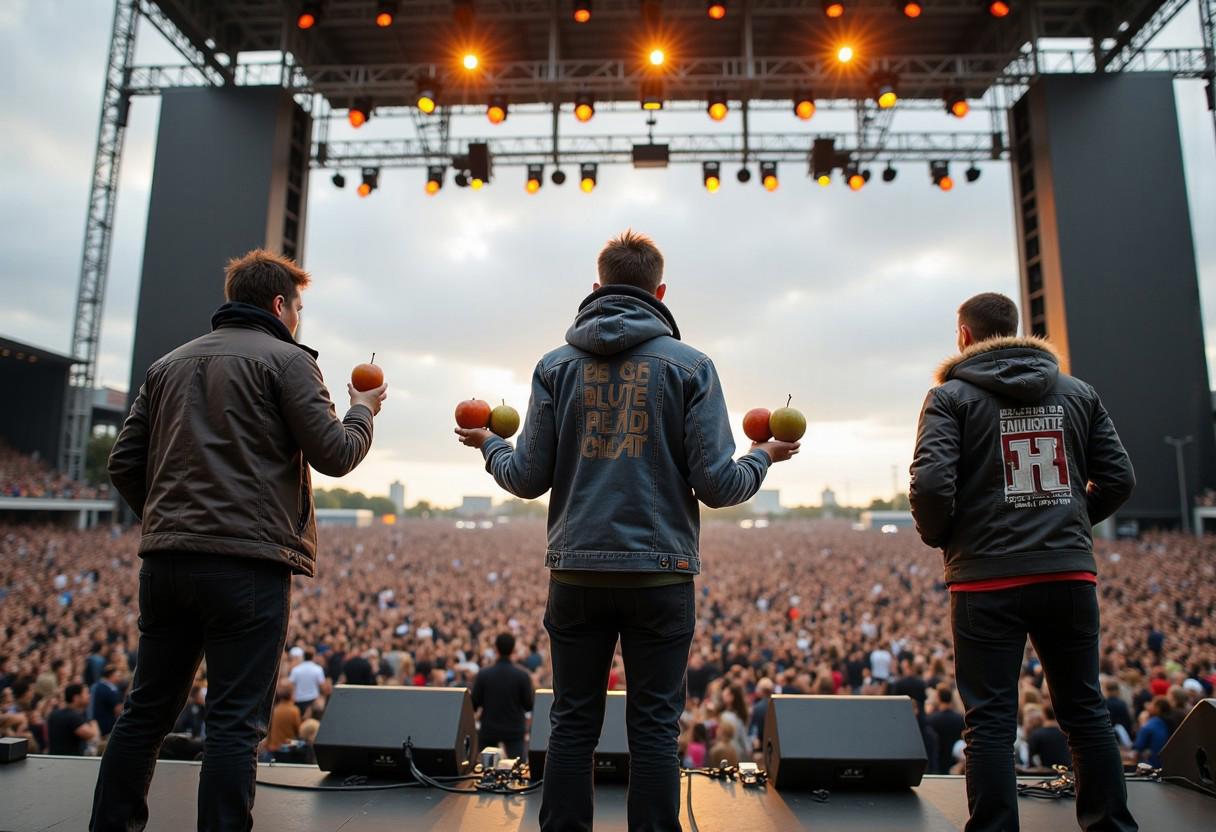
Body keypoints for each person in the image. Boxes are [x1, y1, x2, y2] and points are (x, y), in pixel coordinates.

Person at [455, 230, 799, 831]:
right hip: (660, 574)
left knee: (572, 723)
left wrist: (490, 446)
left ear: (596, 289)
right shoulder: (691, 367)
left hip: (577, 570)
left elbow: (527, 477)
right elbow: (719, 487)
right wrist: (762, 455)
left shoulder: (554, 366)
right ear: (659, 292)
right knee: (656, 729)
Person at [91, 250, 386, 832]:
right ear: (279, 305)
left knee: (144, 714)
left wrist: (172, 519)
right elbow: (336, 454)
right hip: (246, 568)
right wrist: (362, 411)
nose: (298, 318)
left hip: (167, 563)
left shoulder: (166, 364)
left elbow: (124, 464)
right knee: (232, 723)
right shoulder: (288, 362)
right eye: (297, 307)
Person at [910, 292, 1137, 832]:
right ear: (1017, 329)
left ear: (964, 336)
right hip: (1067, 573)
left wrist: (946, 539)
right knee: (1085, 711)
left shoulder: (950, 398)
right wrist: (1071, 527)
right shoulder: (1079, 393)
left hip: (985, 579)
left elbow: (933, 485)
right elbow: (1120, 479)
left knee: (988, 720)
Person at [470, 632, 535, 759]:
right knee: (517, 770)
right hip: (514, 730)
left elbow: (474, 703)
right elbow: (528, 705)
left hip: (489, 729)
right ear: (513, 649)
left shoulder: (483, 674)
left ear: (496, 648)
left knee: (485, 769)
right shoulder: (522, 675)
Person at [925, 684, 965, 776]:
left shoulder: (932, 719)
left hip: (937, 762)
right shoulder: (959, 718)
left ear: (938, 698)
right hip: (953, 762)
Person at [48, 683, 98, 756]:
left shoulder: (55, 714)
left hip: (56, 759)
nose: (89, 696)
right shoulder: (72, 717)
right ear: (76, 698)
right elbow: (91, 735)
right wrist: (93, 721)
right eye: (86, 693)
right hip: (69, 761)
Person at [288, 650, 329, 716]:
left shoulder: (296, 669)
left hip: (298, 701)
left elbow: (290, 685)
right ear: (313, 657)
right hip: (313, 701)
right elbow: (322, 686)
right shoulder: (318, 669)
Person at [89, 665, 125, 738]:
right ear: (111, 676)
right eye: (118, 675)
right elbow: (118, 710)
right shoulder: (109, 690)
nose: (120, 678)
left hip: (95, 724)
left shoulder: (96, 685)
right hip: (107, 727)